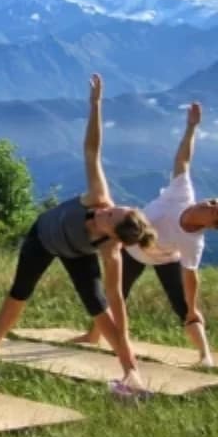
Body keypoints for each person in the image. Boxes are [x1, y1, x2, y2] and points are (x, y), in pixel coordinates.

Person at [0, 74, 157, 392]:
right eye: (112, 208)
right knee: (21, 289)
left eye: (110, 216)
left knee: (98, 306)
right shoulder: (98, 195)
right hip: (43, 236)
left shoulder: (110, 251)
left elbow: (116, 304)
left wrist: (130, 366)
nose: (106, 209)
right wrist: (95, 104)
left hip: (77, 253)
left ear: (114, 235)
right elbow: (92, 150)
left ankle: (131, 373)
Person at [70, 102, 216, 366]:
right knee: (113, 293)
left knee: (184, 307)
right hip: (134, 250)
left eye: (213, 209)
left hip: (165, 259)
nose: (209, 203)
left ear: (211, 223)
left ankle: (205, 356)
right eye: (213, 200)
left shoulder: (193, 242)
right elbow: (182, 160)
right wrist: (192, 127)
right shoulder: (183, 193)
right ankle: (93, 336)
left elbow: (190, 276)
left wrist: (193, 306)